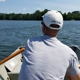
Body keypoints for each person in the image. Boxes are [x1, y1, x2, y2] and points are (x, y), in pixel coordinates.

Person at [18, 10, 80, 80]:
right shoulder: (70, 54)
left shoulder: (30, 42)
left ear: (43, 26)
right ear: (60, 28)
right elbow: (76, 79)